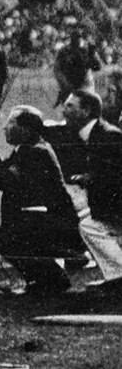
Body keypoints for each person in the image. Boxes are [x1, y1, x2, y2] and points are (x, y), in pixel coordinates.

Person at [0, 106, 85, 294]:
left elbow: (7, 181)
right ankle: (46, 279)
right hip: (51, 221)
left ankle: (51, 280)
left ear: (25, 129)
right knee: (8, 235)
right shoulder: (28, 149)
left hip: (59, 226)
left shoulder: (35, 153)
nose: (4, 127)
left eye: (11, 122)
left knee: (6, 238)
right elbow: (4, 172)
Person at [56, 90, 122, 293]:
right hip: (111, 205)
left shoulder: (108, 136)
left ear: (86, 111)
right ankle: (116, 278)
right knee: (87, 223)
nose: (64, 110)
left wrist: (89, 179)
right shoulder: (94, 134)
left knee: (90, 226)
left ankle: (118, 277)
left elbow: (115, 176)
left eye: (70, 106)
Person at [53, 29, 102, 108]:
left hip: (85, 83)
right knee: (69, 109)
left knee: (85, 108)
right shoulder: (64, 51)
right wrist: (65, 84)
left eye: (78, 38)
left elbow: (97, 67)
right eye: (74, 39)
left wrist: (92, 56)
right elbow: (57, 69)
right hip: (69, 83)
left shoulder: (88, 48)